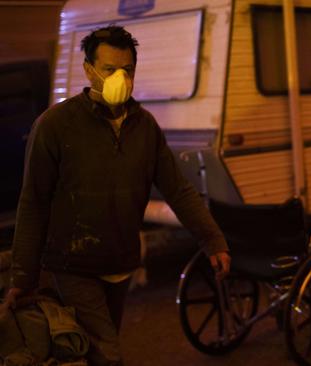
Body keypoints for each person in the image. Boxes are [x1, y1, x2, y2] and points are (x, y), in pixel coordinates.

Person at [3, 26, 231, 366]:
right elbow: (33, 201)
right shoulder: (55, 125)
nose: (119, 78)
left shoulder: (145, 127)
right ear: (88, 69)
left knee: (91, 352)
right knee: (108, 354)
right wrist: (23, 277)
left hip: (121, 264)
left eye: (127, 70)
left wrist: (213, 240)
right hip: (72, 265)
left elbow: (178, 190)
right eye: (110, 70)